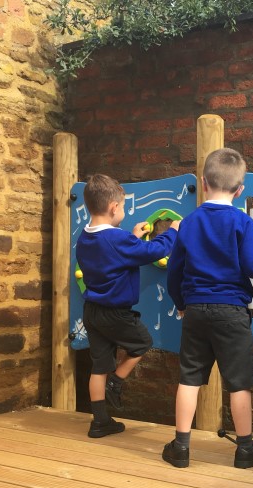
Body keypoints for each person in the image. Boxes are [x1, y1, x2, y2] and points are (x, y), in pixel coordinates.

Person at [163, 147, 253, 469]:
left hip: (196, 310)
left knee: (189, 378)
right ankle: (244, 450)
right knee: (239, 382)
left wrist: (182, 304)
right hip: (231, 313)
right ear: (240, 189)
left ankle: (181, 448)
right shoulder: (242, 223)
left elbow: (175, 272)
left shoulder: (188, 224)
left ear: (203, 183)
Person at [75, 174, 179, 438]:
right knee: (142, 342)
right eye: (122, 207)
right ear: (113, 208)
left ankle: (100, 421)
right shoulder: (118, 241)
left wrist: (133, 236)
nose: (123, 211)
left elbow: (114, 256)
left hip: (92, 311)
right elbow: (153, 252)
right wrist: (172, 234)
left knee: (99, 365)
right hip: (114, 313)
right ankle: (117, 381)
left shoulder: (85, 238)